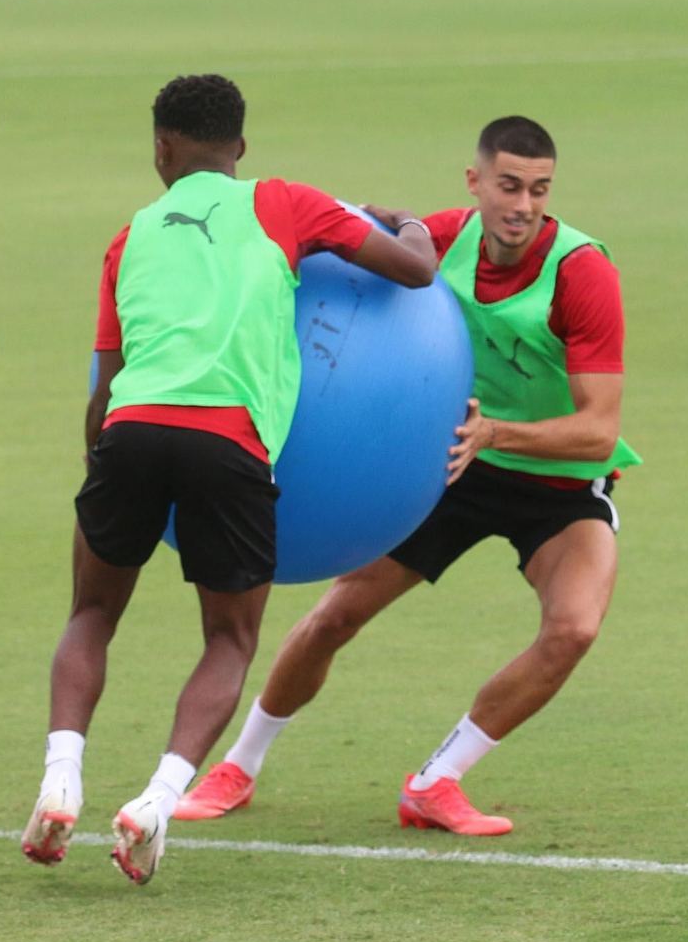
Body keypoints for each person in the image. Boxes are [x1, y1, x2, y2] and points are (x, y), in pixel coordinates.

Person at [19, 74, 437, 885]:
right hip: (229, 444)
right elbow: (416, 271)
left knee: (93, 610)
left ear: (161, 148)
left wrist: (98, 460)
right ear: (240, 149)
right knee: (230, 638)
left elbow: (104, 387)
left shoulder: (129, 236)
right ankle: (158, 798)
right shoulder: (284, 204)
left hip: (131, 431)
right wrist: (404, 219)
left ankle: (59, 777)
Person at [176, 116, 640, 836]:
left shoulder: (581, 272)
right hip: (447, 466)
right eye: (509, 186)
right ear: (476, 181)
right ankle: (238, 765)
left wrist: (496, 432)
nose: (523, 206)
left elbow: (598, 429)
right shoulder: (443, 238)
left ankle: (437, 780)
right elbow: (358, 238)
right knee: (337, 615)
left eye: (539, 191)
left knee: (574, 627)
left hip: (554, 480)